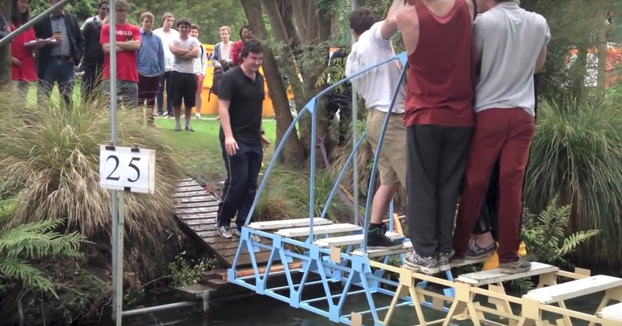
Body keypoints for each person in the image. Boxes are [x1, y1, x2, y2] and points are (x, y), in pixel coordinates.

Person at [452, 0, 550, 274]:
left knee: (476, 181)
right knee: (512, 186)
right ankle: (509, 256)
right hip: (523, 113)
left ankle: (459, 247)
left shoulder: (484, 23)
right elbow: (537, 66)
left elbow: (472, 64)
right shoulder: (539, 23)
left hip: (489, 111)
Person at [395, 0, 476, 274]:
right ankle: (443, 249)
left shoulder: (407, 16)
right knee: (448, 186)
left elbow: (392, 19)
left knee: (421, 185)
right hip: (461, 116)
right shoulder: (466, 7)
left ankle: (424, 253)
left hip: (424, 113)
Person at [345, 2, 406, 250]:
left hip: (375, 118)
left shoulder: (353, 56)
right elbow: (393, 20)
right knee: (414, 178)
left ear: (353, 31)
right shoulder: (375, 37)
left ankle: (373, 231)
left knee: (389, 179)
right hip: (391, 119)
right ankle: (430, 242)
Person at [217, 40, 270, 240]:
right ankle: (223, 221)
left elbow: (257, 108)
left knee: (250, 184)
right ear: (244, 57)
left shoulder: (260, 79)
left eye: (260, 59)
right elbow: (223, 108)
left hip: (253, 138)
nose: (257, 63)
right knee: (236, 182)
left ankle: (243, 224)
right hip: (235, 137)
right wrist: (229, 136)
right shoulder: (231, 78)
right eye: (253, 58)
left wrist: (261, 131)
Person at [34, 0, 84, 106]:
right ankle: (42, 121)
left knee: (67, 98)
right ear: (50, 1)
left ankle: (67, 122)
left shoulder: (70, 19)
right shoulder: (41, 19)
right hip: (47, 62)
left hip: (67, 63)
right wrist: (48, 40)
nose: (61, 4)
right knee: (43, 95)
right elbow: (34, 39)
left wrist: (75, 58)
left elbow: (80, 40)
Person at [100, 0, 141, 107]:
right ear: (113, 12)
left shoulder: (134, 29)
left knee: (131, 112)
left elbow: (136, 45)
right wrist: (127, 45)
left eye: (125, 10)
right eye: (119, 10)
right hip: (111, 76)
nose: (123, 13)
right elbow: (106, 48)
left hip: (130, 76)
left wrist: (115, 42)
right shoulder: (107, 28)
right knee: (110, 110)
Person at [168, 18, 200, 131]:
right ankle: (177, 123)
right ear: (178, 28)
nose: (184, 29)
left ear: (189, 29)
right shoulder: (175, 40)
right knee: (176, 100)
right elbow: (173, 50)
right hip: (177, 72)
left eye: (186, 27)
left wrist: (181, 53)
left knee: (189, 101)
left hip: (190, 74)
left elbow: (196, 53)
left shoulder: (194, 41)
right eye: (182, 27)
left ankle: (187, 123)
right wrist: (188, 52)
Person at [10, 0, 43, 95]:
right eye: (22, 2)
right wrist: (9, 58)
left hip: (25, 66)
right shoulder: (7, 20)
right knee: (11, 100)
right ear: (14, 3)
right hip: (11, 66)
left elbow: (30, 42)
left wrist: (37, 44)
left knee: (22, 101)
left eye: (27, 3)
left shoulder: (28, 22)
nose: (25, 5)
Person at [137, 12, 164, 125]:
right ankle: (137, 122)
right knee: (140, 99)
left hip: (155, 73)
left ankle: (150, 122)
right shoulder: (137, 36)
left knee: (151, 99)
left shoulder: (157, 39)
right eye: (146, 21)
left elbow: (160, 55)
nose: (148, 24)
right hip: (141, 72)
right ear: (142, 22)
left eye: (150, 22)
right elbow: (135, 54)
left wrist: (161, 71)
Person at [81, 1, 108, 101]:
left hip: (104, 64)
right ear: (99, 9)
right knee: (86, 90)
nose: (105, 11)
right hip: (90, 62)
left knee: (101, 91)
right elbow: (82, 39)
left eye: (107, 9)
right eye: (103, 8)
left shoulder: (112, 25)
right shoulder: (90, 22)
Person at [153, 13, 179, 117]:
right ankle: (159, 109)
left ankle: (170, 110)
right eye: (168, 20)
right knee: (159, 89)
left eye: (172, 21)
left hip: (172, 65)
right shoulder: (156, 33)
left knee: (171, 89)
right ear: (163, 20)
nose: (170, 22)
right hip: (159, 65)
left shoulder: (175, 34)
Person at [189, 24, 207, 120]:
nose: (194, 33)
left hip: (198, 73)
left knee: (198, 94)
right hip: (188, 72)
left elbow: (204, 62)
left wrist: (203, 73)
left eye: (196, 32)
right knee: (186, 93)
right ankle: (187, 112)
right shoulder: (186, 44)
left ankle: (198, 113)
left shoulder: (201, 47)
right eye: (192, 32)